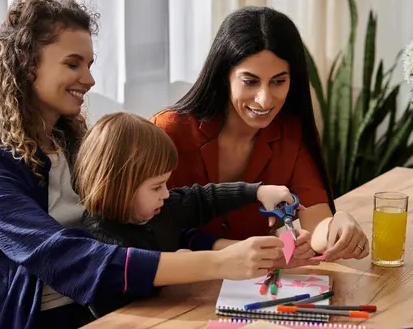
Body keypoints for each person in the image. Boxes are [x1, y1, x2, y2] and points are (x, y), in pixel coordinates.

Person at [0, 0, 294, 329]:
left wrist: (239, 253)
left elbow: (143, 231)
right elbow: (70, 258)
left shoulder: (73, 145)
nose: (89, 79)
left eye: (89, 64)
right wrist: (217, 262)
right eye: (73, 64)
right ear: (27, 66)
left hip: (113, 306)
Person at [151, 6, 369, 262]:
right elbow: (148, 232)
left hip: (255, 287)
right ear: (225, 76)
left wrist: (337, 226)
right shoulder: (169, 132)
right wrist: (239, 250)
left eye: (278, 81)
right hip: (178, 292)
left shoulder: (290, 134)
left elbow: (316, 225)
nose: (265, 100)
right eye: (250, 81)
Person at [75, 112, 318, 315]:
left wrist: (258, 191)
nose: (166, 194)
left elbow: (203, 198)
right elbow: (134, 276)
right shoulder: (99, 236)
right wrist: (184, 262)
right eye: (157, 186)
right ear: (120, 186)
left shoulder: (161, 208)